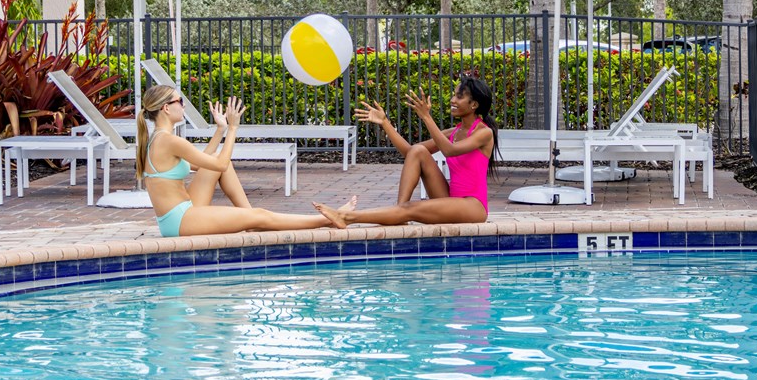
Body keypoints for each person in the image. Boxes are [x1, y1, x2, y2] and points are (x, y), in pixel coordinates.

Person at [136, 85, 353, 237]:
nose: (183, 106)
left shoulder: (158, 138)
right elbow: (218, 164)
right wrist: (232, 128)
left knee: (221, 164)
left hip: (180, 212)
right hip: (180, 220)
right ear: (166, 108)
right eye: (180, 101)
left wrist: (220, 128)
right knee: (260, 214)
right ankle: (328, 219)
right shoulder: (170, 140)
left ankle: (250, 220)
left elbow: (204, 163)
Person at [314, 76, 499, 227]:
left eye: (459, 97)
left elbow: (450, 151)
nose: (452, 100)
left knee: (411, 208)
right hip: (450, 198)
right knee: (418, 151)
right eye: (454, 95)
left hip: (473, 205)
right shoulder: (454, 132)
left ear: (473, 105)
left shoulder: (484, 133)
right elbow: (410, 152)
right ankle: (399, 212)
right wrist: (385, 123)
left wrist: (426, 117)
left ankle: (347, 217)